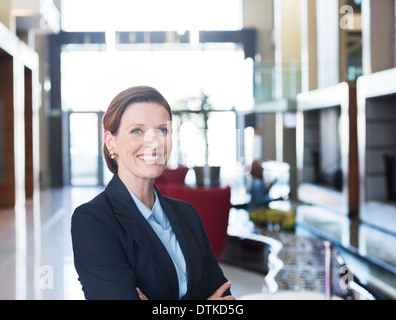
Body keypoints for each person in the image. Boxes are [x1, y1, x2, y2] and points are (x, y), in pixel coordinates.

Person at [71, 86, 234, 300]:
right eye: (137, 130)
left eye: (162, 130)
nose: (153, 142)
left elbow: (225, 300)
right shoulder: (94, 221)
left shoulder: (187, 214)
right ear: (112, 142)